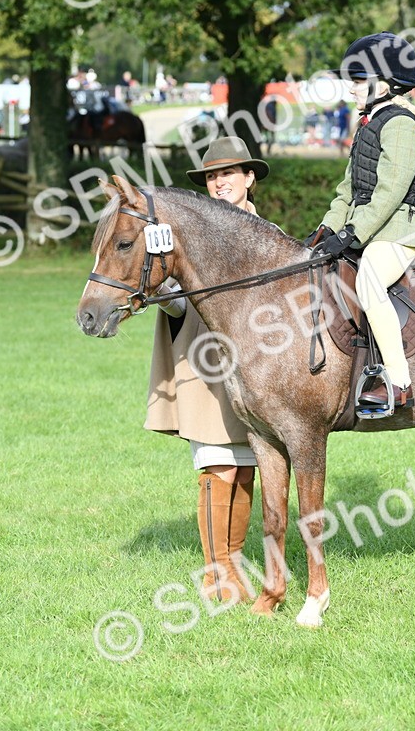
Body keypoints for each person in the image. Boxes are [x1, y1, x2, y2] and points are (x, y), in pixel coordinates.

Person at [145, 136, 270, 603]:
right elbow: (172, 303)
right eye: (213, 176)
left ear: (249, 178)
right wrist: (165, 281)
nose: (220, 182)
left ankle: (231, 566)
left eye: (229, 174)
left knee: (247, 467)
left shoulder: (269, 233)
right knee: (216, 464)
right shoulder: (190, 235)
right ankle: (218, 576)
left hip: (259, 368)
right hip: (203, 357)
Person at [306, 32, 415, 413]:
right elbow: (347, 187)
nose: (351, 89)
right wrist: (328, 228)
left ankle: (398, 383)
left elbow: (389, 193)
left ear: (387, 82)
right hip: (369, 227)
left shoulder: (401, 123)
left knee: (370, 279)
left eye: (359, 81)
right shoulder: (369, 123)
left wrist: (352, 233)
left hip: (397, 229)